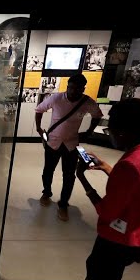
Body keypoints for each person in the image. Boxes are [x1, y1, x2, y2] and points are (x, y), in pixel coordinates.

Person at [76, 98, 140, 280]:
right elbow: (138, 187)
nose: (110, 134)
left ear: (121, 133)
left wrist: (82, 179)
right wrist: (106, 167)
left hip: (121, 238)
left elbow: (106, 211)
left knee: (100, 276)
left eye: (111, 129)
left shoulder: (130, 165)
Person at [35, 73, 103, 221]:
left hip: (71, 144)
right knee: (48, 170)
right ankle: (46, 192)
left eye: (77, 89)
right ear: (67, 86)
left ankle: (63, 203)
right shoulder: (57, 98)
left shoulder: (87, 102)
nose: (73, 91)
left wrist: (90, 131)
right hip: (53, 142)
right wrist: (39, 128)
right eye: (70, 88)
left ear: (83, 89)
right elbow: (39, 110)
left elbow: (97, 115)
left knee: (69, 175)